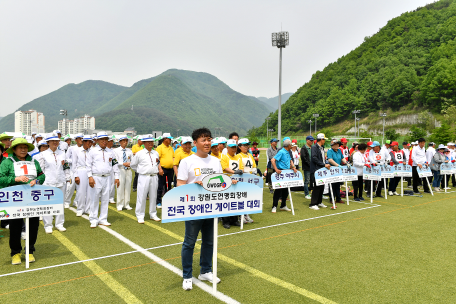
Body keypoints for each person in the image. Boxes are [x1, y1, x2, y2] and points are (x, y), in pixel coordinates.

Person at [177, 128, 227, 291]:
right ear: (195, 143)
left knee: (209, 241)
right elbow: (180, 186)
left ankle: (205, 270)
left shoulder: (215, 161)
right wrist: (194, 185)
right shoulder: (187, 161)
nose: (207, 143)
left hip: (212, 208)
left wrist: (229, 183)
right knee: (189, 243)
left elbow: (220, 183)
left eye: (209, 139)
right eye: (203, 140)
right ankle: (187, 275)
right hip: (193, 208)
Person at [0, 138, 46, 264]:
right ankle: (15, 252)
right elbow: (1, 179)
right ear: (14, 149)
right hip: (15, 198)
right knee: (15, 225)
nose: (23, 149)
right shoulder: (7, 162)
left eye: (25, 147)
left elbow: (42, 175)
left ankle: (30, 251)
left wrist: (36, 181)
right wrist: (16, 178)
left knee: (33, 224)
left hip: (32, 197)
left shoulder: (33, 161)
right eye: (20, 147)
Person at [35, 132, 70, 234]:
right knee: (48, 204)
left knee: (60, 204)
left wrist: (67, 177)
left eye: (57, 141)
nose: (55, 142)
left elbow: (65, 167)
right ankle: (48, 225)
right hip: (48, 182)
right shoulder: (43, 154)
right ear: (48, 142)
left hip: (60, 181)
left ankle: (59, 224)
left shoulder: (62, 153)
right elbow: (41, 170)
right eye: (52, 141)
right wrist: (40, 182)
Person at [86, 131, 120, 228]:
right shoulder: (92, 151)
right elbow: (88, 165)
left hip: (108, 177)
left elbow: (115, 164)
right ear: (97, 140)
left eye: (106, 139)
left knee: (105, 199)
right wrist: (90, 177)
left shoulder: (111, 151)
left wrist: (117, 177)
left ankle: (103, 219)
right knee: (94, 199)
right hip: (96, 177)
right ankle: (93, 219)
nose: (104, 141)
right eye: (102, 140)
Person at [130, 135, 163, 223]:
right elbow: (133, 165)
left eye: (151, 141)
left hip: (154, 176)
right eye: (148, 142)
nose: (150, 143)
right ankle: (140, 215)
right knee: (142, 196)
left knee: (153, 196)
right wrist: (141, 171)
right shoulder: (139, 153)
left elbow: (157, 163)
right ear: (144, 143)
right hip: (144, 176)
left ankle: (153, 214)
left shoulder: (155, 153)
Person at [220, 139, 243, 229]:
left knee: (236, 200)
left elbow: (241, 168)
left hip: (237, 182)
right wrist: (235, 172)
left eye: (235, 147)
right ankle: (225, 221)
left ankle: (234, 220)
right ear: (227, 148)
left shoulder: (238, 157)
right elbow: (225, 168)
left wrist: (239, 172)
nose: (234, 149)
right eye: (232, 147)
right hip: (226, 181)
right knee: (226, 201)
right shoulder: (224, 157)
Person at [236, 138, 256, 223]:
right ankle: (241, 216)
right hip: (242, 179)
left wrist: (253, 172)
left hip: (250, 179)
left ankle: (246, 214)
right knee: (241, 198)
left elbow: (254, 166)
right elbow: (239, 169)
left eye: (247, 145)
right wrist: (248, 171)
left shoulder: (249, 155)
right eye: (244, 145)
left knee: (248, 197)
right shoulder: (238, 156)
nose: (246, 147)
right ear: (239, 147)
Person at [309, 133, 330, 210]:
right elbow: (314, 158)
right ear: (321, 139)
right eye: (324, 139)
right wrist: (323, 165)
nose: (325, 141)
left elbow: (322, 158)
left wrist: (325, 163)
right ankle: (313, 204)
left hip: (322, 169)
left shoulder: (322, 147)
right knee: (317, 187)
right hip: (316, 169)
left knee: (322, 186)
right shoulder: (314, 147)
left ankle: (319, 202)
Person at [113, 136, 133, 211]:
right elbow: (114, 161)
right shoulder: (116, 151)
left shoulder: (129, 151)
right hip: (120, 169)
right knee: (120, 187)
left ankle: (126, 204)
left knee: (128, 187)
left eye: (126, 141)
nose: (125, 142)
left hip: (128, 170)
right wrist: (123, 164)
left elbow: (133, 160)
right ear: (120, 142)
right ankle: (120, 204)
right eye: (123, 141)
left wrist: (131, 163)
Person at [64, 133, 83, 209]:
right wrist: (73, 161)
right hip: (72, 169)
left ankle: (76, 201)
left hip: (81, 170)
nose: (81, 140)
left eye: (82, 138)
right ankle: (67, 201)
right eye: (80, 138)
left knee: (80, 187)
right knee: (71, 186)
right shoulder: (71, 148)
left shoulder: (84, 148)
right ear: (76, 140)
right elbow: (66, 158)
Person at [156, 133, 174, 209]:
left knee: (169, 186)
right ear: (165, 139)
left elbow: (173, 157)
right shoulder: (160, 148)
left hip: (170, 169)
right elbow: (157, 159)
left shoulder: (171, 148)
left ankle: (167, 201)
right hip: (162, 169)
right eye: (169, 139)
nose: (170, 140)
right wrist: (160, 169)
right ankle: (158, 201)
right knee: (160, 186)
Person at [300, 135, 313, 200]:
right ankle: (306, 194)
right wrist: (310, 165)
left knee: (313, 180)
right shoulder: (304, 148)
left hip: (313, 167)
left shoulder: (312, 148)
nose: (312, 142)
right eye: (310, 140)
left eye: (312, 140)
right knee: (307, 181)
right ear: (307, 140)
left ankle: (312, 192)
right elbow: (303, 158)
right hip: (307, 167)